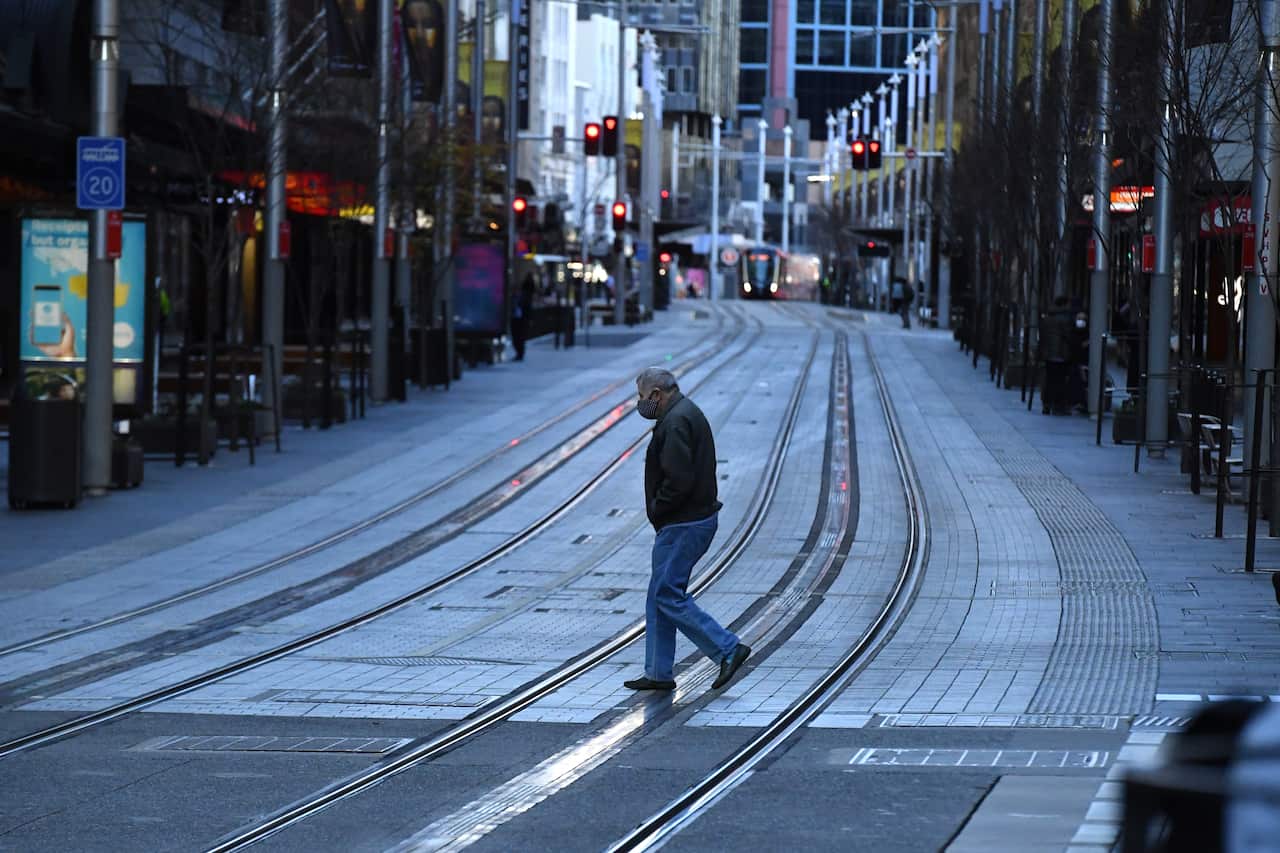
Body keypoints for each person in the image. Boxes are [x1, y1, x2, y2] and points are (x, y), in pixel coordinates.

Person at [624, 367, 751, 692]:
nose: (639, 404)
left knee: (667, 593)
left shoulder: (677, 420)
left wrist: (658, 508)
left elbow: (679, 479)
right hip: (685, 520)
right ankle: (658, 672)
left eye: (641, 397)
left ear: (656, 395)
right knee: (659, 595)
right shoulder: (681, 412)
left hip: (684, 522)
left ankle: (727, 648)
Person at [1039, 296, 1073, 415]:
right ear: (1064, 305)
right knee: (1060, 380)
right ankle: (1058, 405)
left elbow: (1042, 336)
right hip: (1061, 354)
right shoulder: (1065, 319)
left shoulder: (1047, 318)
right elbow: (1068, 336)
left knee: (1049, 379)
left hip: (1049, 354)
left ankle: (1046, 404)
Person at [511, 274, 534, 361]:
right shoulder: (513, 298)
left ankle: (520, 353)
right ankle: (518, 353)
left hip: (522, 319)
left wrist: (529, 319)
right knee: (515, 337)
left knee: (520, 337)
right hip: (515, 319)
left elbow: (528, 308)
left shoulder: (524, 297)